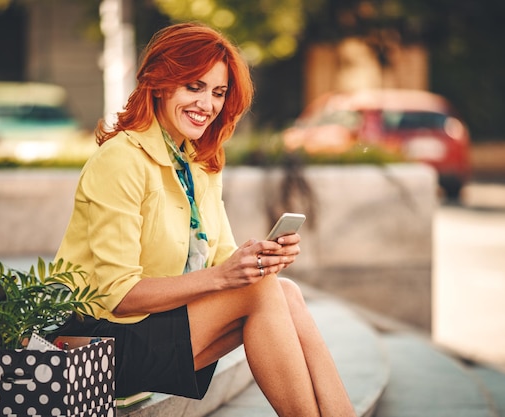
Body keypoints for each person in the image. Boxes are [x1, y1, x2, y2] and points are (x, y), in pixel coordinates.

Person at [54, 22, 357, 417]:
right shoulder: (121, 160)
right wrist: (227, 277)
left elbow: (222, 260)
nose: (207, 104)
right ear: (160, 84)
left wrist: (262, 259)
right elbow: (119, 296)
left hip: (157, 327)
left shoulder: (199, 162)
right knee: (265, 291)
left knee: (284, 290)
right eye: (193, 86)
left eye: (218, 92)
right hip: (98, 341)